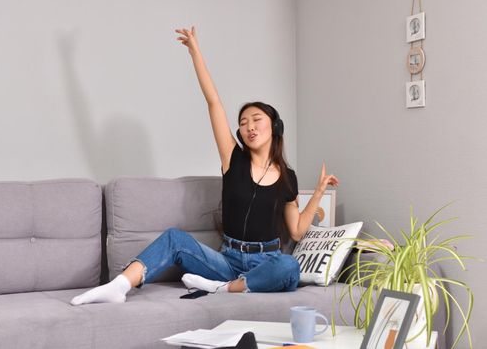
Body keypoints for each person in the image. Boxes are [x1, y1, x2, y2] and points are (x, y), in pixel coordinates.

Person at [70, 26, 338, 305]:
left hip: (266, 261)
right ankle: (120, 285)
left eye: (256, 119)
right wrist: (195, 52)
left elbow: (296, 231)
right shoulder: (233, 159)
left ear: (275, 126)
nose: (249, 127)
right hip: (227, 260)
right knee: (175, 238)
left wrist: (318, 192)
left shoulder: (288, 178)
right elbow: (214, 102)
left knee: (290, 267)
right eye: (243, 123)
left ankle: (224, 289)